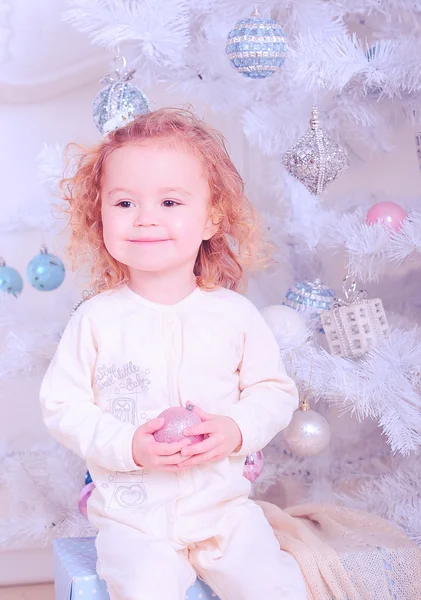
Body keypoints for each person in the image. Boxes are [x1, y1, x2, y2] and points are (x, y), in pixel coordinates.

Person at [40, 108, 307, 600]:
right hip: (133, 516)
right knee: (146, 586)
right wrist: (129, 446)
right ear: (99, 215)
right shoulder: (97, 319)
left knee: (276, 585)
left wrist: (235, 431)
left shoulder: (234, 315)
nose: (145, 218)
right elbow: (63, 406)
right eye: (124, 202)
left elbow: (274, 391)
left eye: (169, 201)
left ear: (212, 218)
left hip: (225, 510)